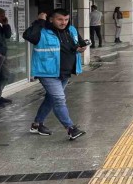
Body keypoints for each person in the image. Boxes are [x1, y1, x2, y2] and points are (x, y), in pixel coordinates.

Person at [23, 9, 87, 140]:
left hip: (65, 72)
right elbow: (28, 36)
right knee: (59, 99)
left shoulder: (71, 30)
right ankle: (70, 129)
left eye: (66, 19)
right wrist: (39, 21)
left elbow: (78, 44)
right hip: (47, 72)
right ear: (51, 19)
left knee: (51, 99)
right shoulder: (42, 31)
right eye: (60, 19)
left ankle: (37, 124)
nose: (64, 22)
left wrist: (81, 48)